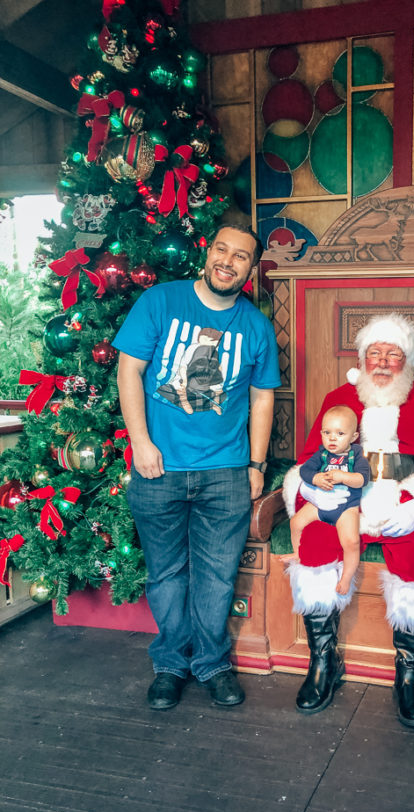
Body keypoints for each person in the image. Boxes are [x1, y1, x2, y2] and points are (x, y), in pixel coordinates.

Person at [113, 223, 281, 711]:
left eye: (241, 256)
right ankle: (170, 664)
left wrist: (255, 464)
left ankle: (211, 663)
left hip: (226, 472)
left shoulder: (255, 326)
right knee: (166, 574)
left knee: (216, 576)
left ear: (251, 269)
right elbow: (130, 371)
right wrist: (140, 443)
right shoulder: (160, 303)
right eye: (222, 251)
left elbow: (262, 397)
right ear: (208, 254)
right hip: (157, 468)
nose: (228, 261)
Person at [283, 313, 414, 726]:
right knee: (315, 543)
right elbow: (310, 455)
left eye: (393, 354)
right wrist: (315, 488)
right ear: (362, 359)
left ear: (408, 360)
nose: (382, 362)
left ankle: (409, 676)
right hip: (345, 496)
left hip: (402, 499)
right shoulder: (338, 397)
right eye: (374, 353)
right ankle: (323, 662)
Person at [288, 405, 370, 596]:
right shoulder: (322, 454)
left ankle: (347, 577)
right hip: (319, 502)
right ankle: (298, 554)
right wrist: (315, 478)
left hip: (346, 506)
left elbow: (362, 479)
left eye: (340, 433)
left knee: (351, 541)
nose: (332, 438)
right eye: (327, 432)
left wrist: (343, 477)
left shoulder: (356, 454)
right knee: (296, 523)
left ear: (353, 436)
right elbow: (304, 471)